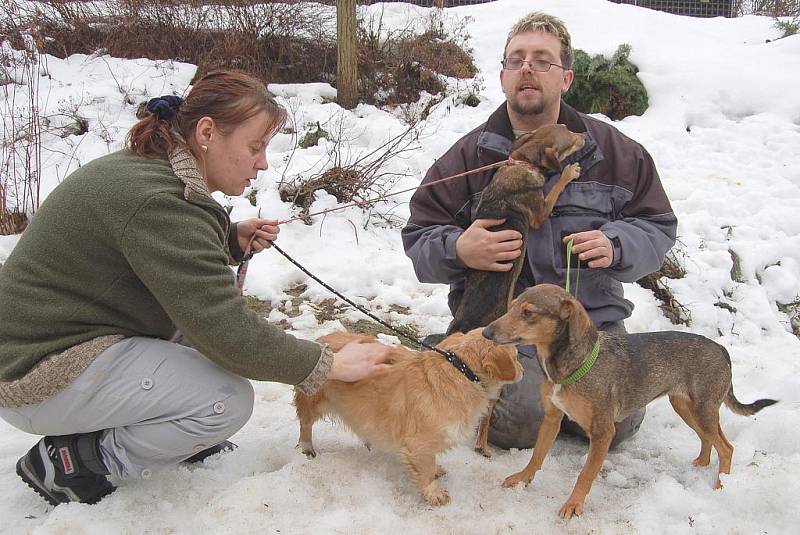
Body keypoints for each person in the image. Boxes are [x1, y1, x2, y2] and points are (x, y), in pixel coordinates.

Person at [0, 70, 392, 506]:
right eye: (255, 147)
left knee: (205, 355)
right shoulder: (159, 199)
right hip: (36, 374)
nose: (262, 163)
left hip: (56, 342)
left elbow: (163, 247)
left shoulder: (156, 172)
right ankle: (75, 461)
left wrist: (230, 239)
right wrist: (327, 365)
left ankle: (169, 433)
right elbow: (227, 332)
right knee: (224, 397)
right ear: (207, 132)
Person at [402, 12, 677, 449]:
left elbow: (658, 226)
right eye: (516, 60)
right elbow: (419, 236)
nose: (527, 68)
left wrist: (617, 243)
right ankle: (454, 349)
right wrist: (459, 248)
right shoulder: (468, 157)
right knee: (520, 423)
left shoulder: (615, 152)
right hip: (506, 328)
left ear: (566, 78)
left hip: (592, 330)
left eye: (542, 60)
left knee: (616, 424)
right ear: (503, 76)